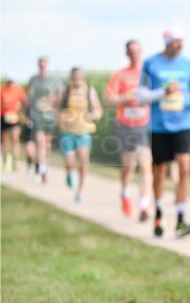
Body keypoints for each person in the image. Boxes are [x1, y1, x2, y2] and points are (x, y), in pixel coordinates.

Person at [141, 27, 190, 238]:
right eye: (177, 41)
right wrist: (163, 92)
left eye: (182, 41)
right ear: (167, 42)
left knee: (184, 168)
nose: (180, 45)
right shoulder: (151, 63)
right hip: (158, 125)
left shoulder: (189, 64)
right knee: (159, 171)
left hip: (184, 123)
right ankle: (158, 212)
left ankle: (181, 218)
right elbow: (141, 95)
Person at [105, 39, 153, 220]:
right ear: (127, 54)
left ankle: (144, 205)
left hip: (144, 125)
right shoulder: (119, 75)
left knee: (145, 164)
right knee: (129, 165)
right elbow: (109, 100)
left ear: (141, 52)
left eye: (137, 51)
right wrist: (126, 97)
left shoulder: (148, 75)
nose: (134, 54)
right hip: (125, 125)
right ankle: (125, 192)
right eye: (131, 51)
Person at [57, 67, 102, 202]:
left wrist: (92, 115)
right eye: (75, 76)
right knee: (69, 161)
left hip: (83, 131)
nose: (77, 79)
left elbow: (98, 110)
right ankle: (69, 172)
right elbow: (56, 107)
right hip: (67, 131)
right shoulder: (65, 90)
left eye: (79, 76)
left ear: (83, 77)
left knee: (83, 161)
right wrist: (61, 116)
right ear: (71, 77)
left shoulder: (89, 91)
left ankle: (80, 192)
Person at [26, 56, 61, 183]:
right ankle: (42, 171)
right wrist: (27, 114)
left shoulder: (54, 80)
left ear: (47, 65)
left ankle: (43, 166)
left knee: (47, 145)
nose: (42, 66)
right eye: (40, 63)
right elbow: (29, 97)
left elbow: (60, 96)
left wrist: (54, 100)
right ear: (38, 65)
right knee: (40, 142)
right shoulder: (33, 79)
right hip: (36, 115)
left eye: (44, 63)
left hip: (50, 116)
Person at [1, 77, 27, 172]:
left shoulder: (18, 89)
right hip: (4, 117)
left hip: (15, 117)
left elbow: (25, 101)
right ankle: (5, 161)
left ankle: (15, 162)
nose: (10, 83)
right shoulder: (2, 89)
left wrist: (21, 111)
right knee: (5, 140)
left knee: (15, 139)